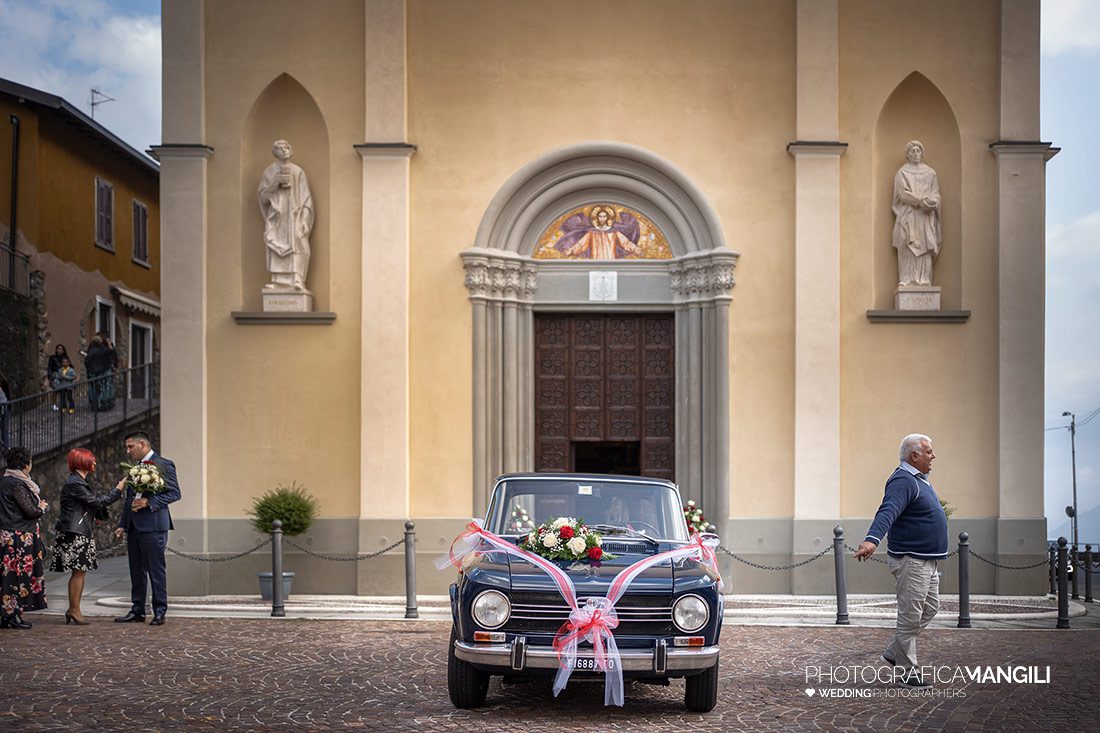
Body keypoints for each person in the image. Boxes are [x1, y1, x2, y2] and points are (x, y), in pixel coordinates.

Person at [854, 434, 948, 689]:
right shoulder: (902, 480)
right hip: (911, 560)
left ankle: (894, 652)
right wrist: (872, 539)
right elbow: (888, 510)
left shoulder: (920, 481)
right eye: (928, 451)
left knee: (930, 608)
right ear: (914, 456)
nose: (933, 456)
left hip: (927, 560)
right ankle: (907, 672)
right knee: (910, 616)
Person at [114, 431, 181, 625]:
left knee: (156, 570)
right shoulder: (134, 467)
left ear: (142, 444)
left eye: (130, 447)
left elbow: (175, 493)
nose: (127, 451)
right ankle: (137, 610)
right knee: (136, 571)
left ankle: (160, 611)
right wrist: (122, 525)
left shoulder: (164, 464)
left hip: (153, 525)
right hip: (134, 527)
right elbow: (129, 499)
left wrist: (148, 503)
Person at [50, 448, 122, 625]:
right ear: (83, 462)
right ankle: (74, 609)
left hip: (79, 531)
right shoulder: (75, 483)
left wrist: (96, 517)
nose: (95, 463)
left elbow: (87, 506)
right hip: (76, 533)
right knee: (79, 572)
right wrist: (118, 490)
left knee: (80, 572)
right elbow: (96, 502)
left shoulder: (78, 482)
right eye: (92, 459)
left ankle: (73, 609)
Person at [0, 446, 48, 629]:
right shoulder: (17, 484)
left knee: (7, 576)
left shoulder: (5, 481)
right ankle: (12, 615)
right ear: (26, 464)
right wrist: (41, 507)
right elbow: (30, 511)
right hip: (18, 537)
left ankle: (7, 614)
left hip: (8, 534)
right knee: (16, 576)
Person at [258, 139, 313, 292]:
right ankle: (278, 281)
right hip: (277, 218)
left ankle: (297, 279)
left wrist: (304, 219)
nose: (284, 149)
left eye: (286, 146)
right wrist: (275, 183)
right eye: (279, 147)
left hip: (294, 216)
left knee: (298, 242)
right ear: (274, 153)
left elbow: (306, 198)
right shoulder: (269, 172)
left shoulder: (298, 171)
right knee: (275, 244)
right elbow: (263, 198)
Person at [891, 140, 941, 286]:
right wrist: (919, 201)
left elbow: (936, 193)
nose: (916, 153)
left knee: (925, 245)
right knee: (907, 243)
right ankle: (906, 278)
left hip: (925, 216)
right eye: (912, 151)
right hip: (908, 215)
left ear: (922, 153)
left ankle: (924, 279)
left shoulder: (931, 173)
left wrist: (932, 202)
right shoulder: (902, 173)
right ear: (907, 155)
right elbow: (902, 193)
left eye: (918, 150)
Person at [556, 205, 643, 260]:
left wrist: (635, 249)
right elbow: (581, 245)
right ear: (596, 218)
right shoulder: (592, 232)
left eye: (604, 216)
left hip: (611, 260)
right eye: (600, 216)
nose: (602, 218)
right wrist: (571, 251)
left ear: (608, 217)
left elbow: (625, 243)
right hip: (595, 260)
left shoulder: (613, 232)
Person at [84, 335, 114, 411]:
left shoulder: (91, 351)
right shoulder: (103, 350)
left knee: (95, 389)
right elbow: (111, 351)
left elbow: (87, 362)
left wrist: (89, 369)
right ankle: (103, 404)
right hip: (103, 371)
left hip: (93, 372)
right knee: (103, 388)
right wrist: (109, 344)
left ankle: (95, 405)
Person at [47, 344, 69, 411]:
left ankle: (63, 404)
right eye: (58, 349)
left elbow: (70, 366)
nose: (59, 350)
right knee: (55, 390)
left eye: (61, 349)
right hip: (55, 375)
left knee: (63, 391)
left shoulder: (65, 358)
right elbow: (49, 368)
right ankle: (54, 404)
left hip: (63, 375)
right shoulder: (53, 358)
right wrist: (50, 378)